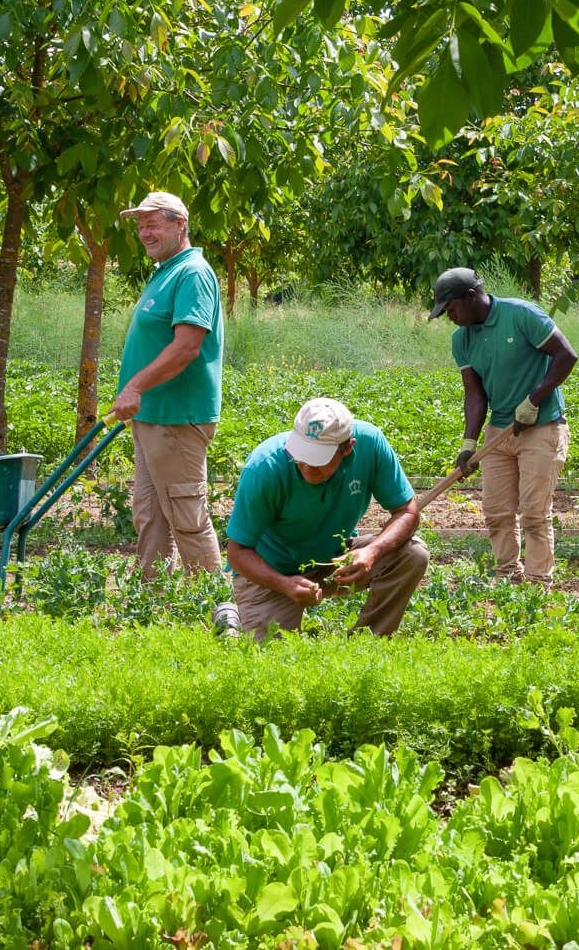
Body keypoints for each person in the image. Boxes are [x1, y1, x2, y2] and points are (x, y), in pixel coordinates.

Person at [224, 398, 428, 641]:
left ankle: (368, 645)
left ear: (348, 448)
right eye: (301, 457)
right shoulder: (264, 468)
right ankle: (229, 620)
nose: (308, 468)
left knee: (413, 555)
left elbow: (407, 511)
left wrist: (372, 552)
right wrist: (285, 584)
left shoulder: (370, 444)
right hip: (271, 572)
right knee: (275, 660)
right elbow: (237, 552)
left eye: (319, 461)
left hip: (334, 561)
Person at [429, 268, 579, 584]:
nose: (449, 317)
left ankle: (538, 584)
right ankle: (508, 578)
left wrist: (534, 400)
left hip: (541, 427)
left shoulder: (522, 315)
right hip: (500, 432)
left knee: (535, 514)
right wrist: (469, 443)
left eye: (451, 309)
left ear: (470, 297)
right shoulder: (462, 339)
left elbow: (566, 355)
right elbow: (475, 395)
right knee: (497, 513)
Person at [108, 191, 224, 577]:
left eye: (152, 223)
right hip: (152, 418)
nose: (144, 233)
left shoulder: (192, 272)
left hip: (176, 419)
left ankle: (213, 605)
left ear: (180, 224)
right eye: (140, 225)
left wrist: (135, 386)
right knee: (151, 517)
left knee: (187, 516)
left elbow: (187, 346)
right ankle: (154, 602)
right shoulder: (167, 271)